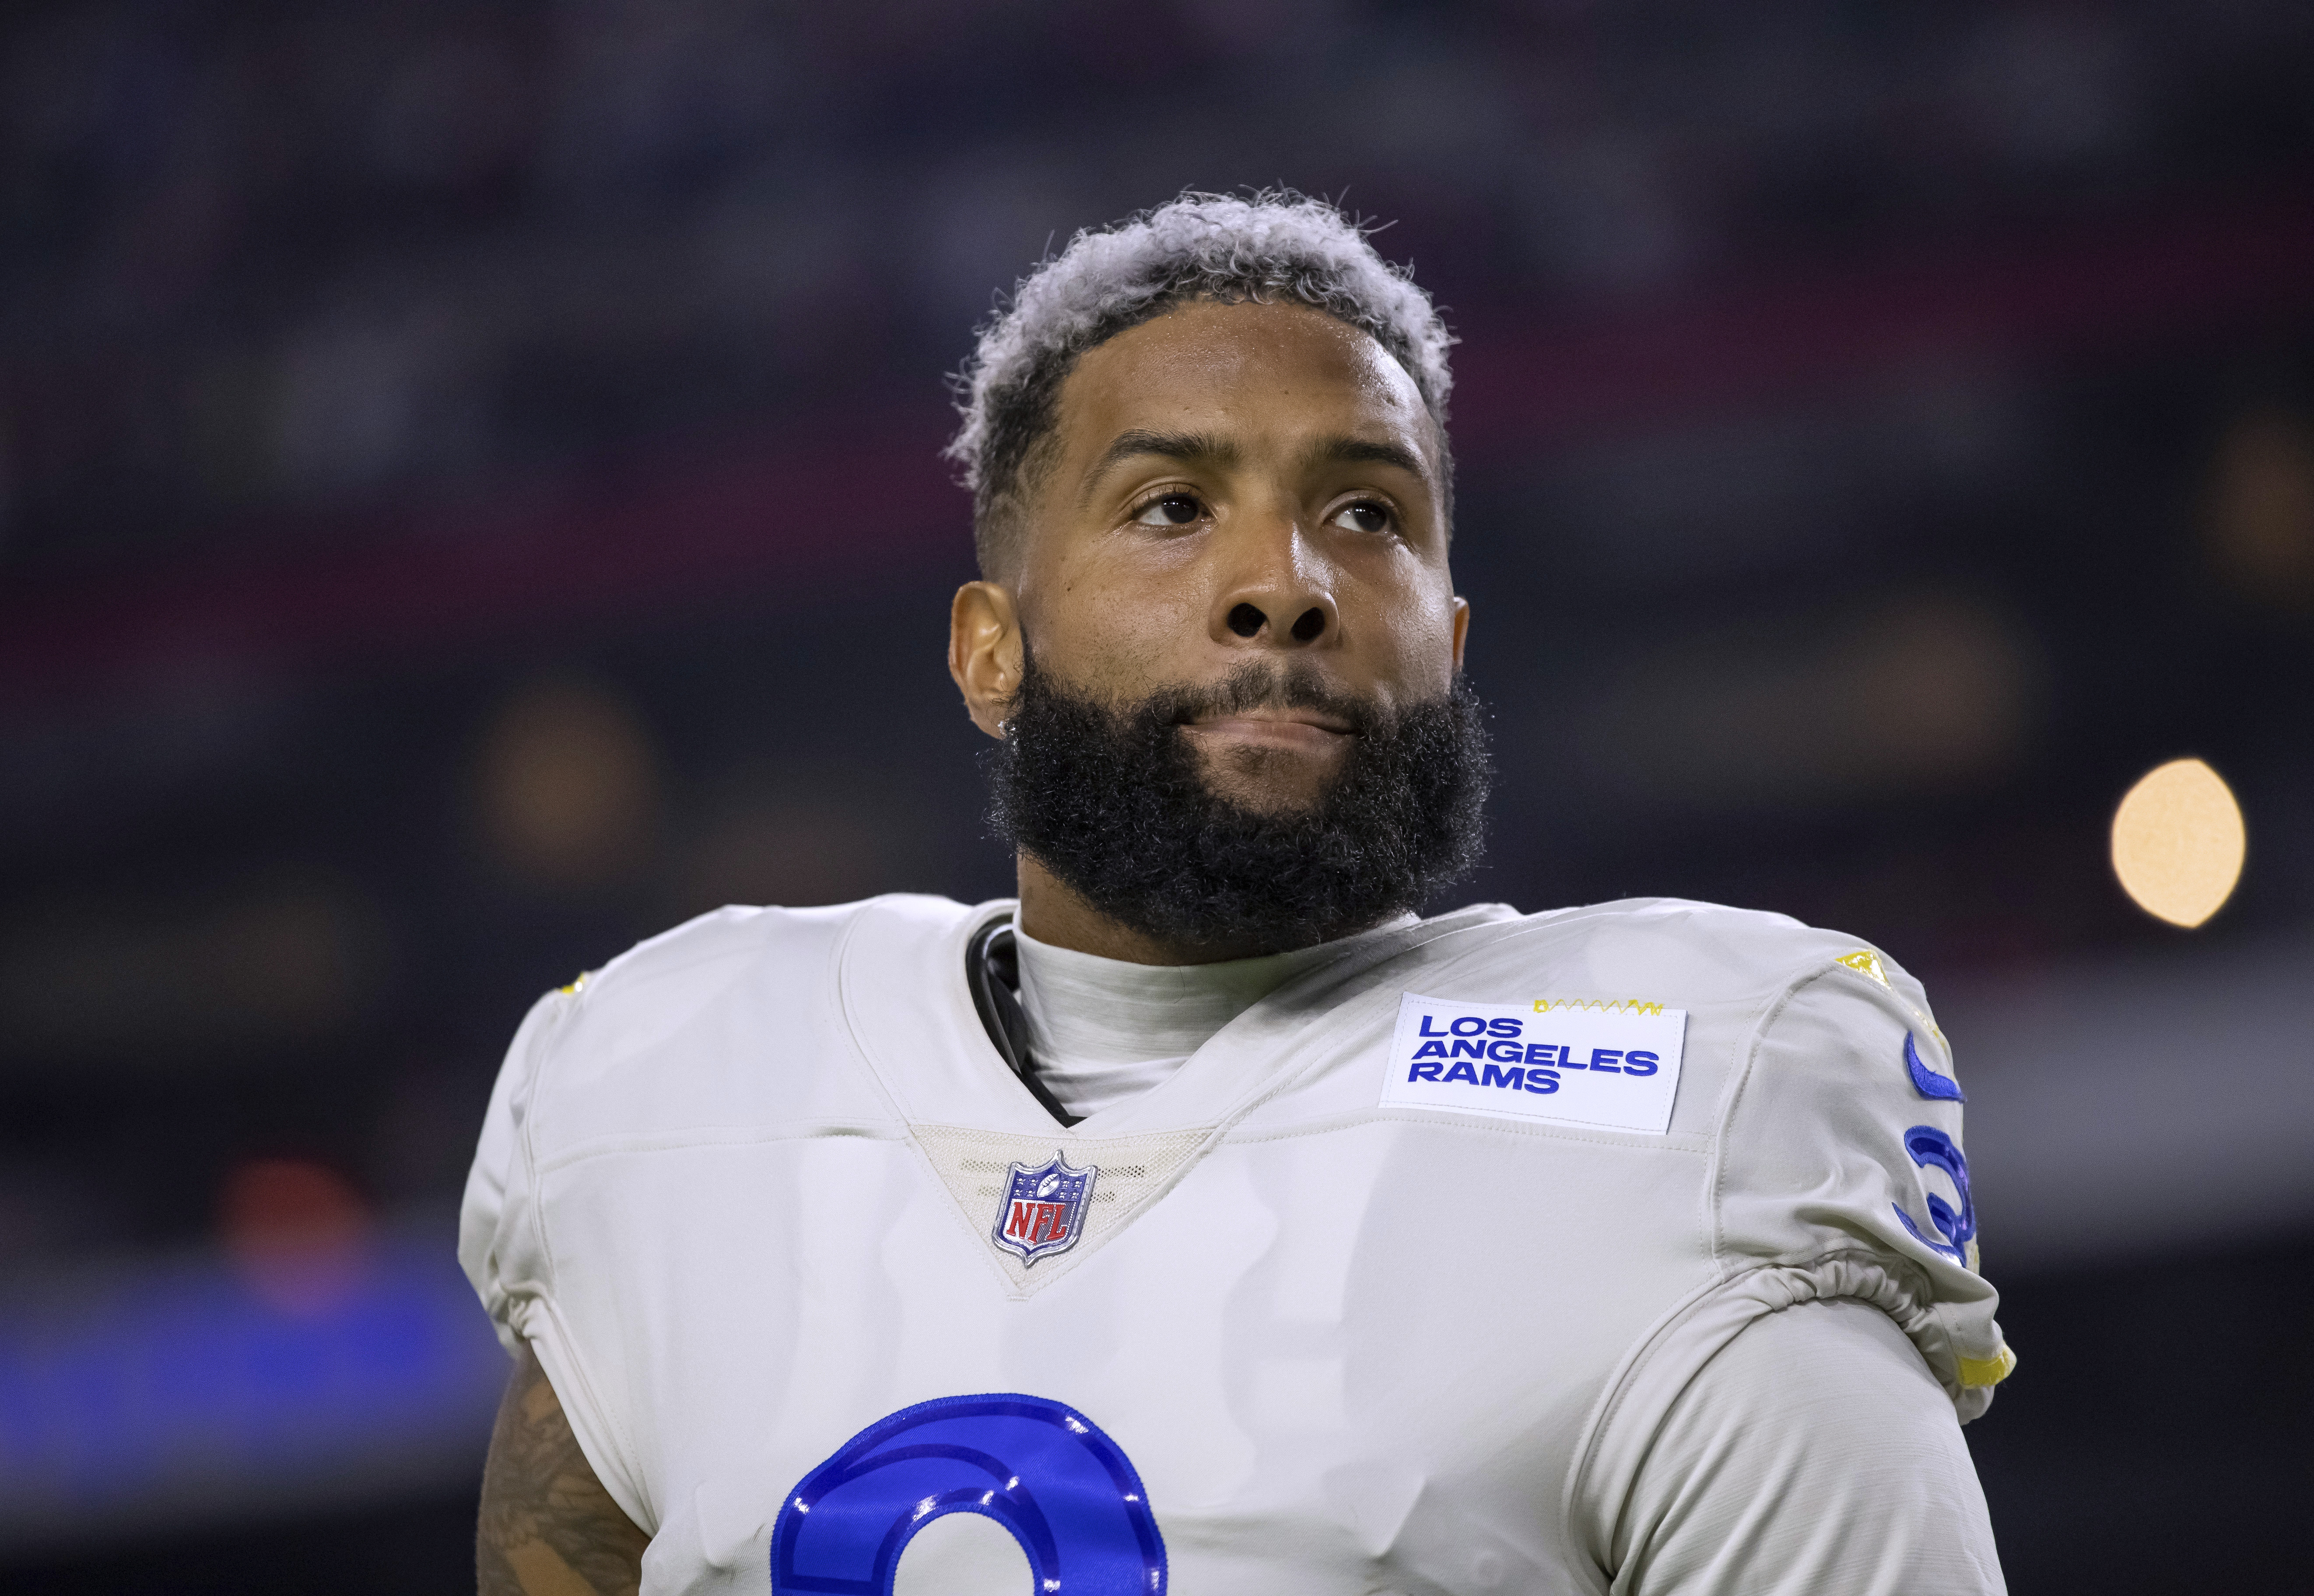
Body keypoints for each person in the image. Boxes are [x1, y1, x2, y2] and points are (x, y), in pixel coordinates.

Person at [461, 191, 2012, 1596]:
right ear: (991, 649)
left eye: (1368, 514)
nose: (1286, 580)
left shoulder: (1701, 1100)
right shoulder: (667, 1091)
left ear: (1450, 646)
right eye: (1172, 508)